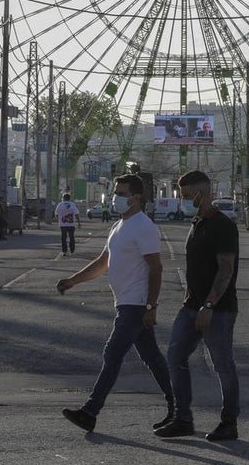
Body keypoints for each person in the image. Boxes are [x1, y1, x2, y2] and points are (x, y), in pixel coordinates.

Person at [56, 174, 174, 433]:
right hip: (125, 302)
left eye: (121, 193)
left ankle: (90, 411)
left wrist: (151, 306)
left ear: (136, 197)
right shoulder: (119, 226)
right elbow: (102, 263)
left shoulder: (143, 226)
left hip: (136, 304)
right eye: (115, 192)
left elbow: (156, 268)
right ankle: (178, 408)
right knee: (153, 358)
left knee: (112, 353)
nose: (115, 198)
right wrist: (72, 281)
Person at [155, 170, 240, 443]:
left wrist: (208, 305)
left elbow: (226, 270)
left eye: (187, 194)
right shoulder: (197, 222)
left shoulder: (223, 226)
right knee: (175, 357)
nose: (184, 199)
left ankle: (229, 423)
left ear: (202, 192)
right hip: (191, 306)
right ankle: (183, 419)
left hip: (217, 310)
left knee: (222, 365)